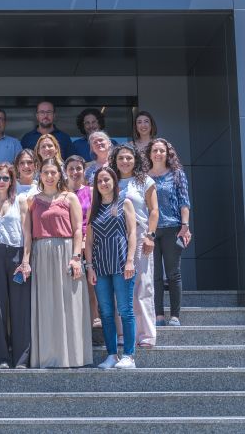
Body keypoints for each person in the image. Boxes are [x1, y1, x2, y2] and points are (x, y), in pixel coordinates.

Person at [26, 158, 93, 368]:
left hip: (66, 253)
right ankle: (47, 356)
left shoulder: (69, 197)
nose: (49, 176)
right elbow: (27, 233)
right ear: (40, 175)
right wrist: (26, 260)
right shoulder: (33, 200)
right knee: (46, 305)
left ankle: (74, 356)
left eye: (53, 172)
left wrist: (75, 258)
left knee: (70, 304)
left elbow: (76, 230)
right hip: (41, 254)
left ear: (59, 174)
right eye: (45, 172)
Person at [86, 167, 138, 370]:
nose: (104, 184)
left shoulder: (124, 203)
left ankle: (129, 356)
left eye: (107, 180)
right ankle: (111, 355)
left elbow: (132, 233)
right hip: (100, 266)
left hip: (122, 264)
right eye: (100, 181)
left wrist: (131, 260)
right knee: (106, 312)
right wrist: (89, 267)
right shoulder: (95, 208)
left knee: (125, 311)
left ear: (114, 182)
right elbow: (88, 242)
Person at [0, 163, 31, 369]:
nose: (1, 182)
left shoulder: (20, 201)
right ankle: (0, 358)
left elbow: (28, 233)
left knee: (20, 308)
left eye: (5, 178)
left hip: (16, 255)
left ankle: (21, 359)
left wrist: (26, 260)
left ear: (12, 181)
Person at [111, 144, 159, 348]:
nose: (125, 162)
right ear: (115, 160)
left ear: (135, 159)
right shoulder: (109, 181)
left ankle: (146, 335)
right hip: (114, 238)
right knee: (118, 288)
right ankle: (122, 334)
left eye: (129, 158)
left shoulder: (145, 181)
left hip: (140, 235)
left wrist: (150, 235)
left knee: (143, 286)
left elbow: (155, 210)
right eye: (121, 158)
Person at [147, 138, 192, 327]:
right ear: (149, 154)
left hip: (173, 228)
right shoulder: (143, 175)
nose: (158, 154)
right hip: (150, 230)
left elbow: (184, 201)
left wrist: (185, 224)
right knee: (154, 275)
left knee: (173, 273)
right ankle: (158, 315)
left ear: (168, 154)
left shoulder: (177, 174)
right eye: (155, 150)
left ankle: (175, 315)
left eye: (162, 151)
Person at [65, 155, 101, 329]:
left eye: (78, 168)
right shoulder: (61, 193)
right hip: (65, 243)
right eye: (71, 168)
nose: (75, 172)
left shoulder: (92, 191)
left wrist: (86, 240)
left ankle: (94, 317)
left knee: (90, 283)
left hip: (88, 241)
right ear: (65, 171)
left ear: (84, 170)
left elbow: (93, 218)